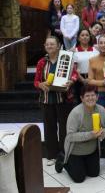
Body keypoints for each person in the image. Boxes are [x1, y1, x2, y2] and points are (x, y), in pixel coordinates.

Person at [34, 36, 77, 166]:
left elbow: (74, 74)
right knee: (49, 128)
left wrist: (72, 81)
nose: (49, 46)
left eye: (52, 44)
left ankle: (64, 153)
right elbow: (36, 81)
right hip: (47, 99)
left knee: (64, 128)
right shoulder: (41, 62)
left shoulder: (65, 59)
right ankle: (52, 155)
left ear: (58, 46)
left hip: (63, 99)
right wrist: (40, 85)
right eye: (47, 44)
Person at [57, 85, 105, 182]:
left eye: (93, 95)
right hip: (76, 151)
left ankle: (83, 164)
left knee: (94, 174)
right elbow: (70, 136)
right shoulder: (76, 113)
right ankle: (63, 160)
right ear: (82, 98)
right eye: (87, 96)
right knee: (79, 178)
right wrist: (91, 135)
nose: (90, 98)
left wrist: (103, 134)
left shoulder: (101, 110)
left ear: (97, 97)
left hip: (91, 150)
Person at [71, 29, 99, 102]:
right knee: (81, 102)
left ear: (90, 37)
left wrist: (90, 79)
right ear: (78, 38)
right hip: (79, 80)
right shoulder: (74, 51)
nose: (85, 37)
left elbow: (97, 66)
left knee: (93, 101)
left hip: (93, 79)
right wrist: (82, 80)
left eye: (87, 35)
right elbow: (74, 68)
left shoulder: (95, 50)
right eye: (82, 35)